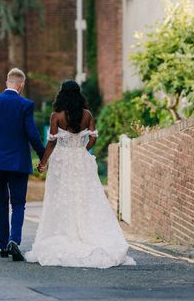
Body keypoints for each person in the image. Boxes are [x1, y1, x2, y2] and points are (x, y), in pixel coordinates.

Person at [25, 79, 135, 268]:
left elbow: (51, 142)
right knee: (85, 196)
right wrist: (84, 149)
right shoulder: (87, 115)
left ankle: (65, 232)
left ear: (62, 94)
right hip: (81, 160)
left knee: (60, 197)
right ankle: (88, 232)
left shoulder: (56, 116)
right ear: (78, 94)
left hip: (62, 162)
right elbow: (93, 138)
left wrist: (43, 162)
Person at [0, 68, 45, 261]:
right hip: (18, 162)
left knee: (0, 202)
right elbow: (32, 134)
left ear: (7, 81)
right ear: (21, 85)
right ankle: (14, 240)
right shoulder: (26, 105)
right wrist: (43, 156)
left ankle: (2, 246)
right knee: (18, 203)